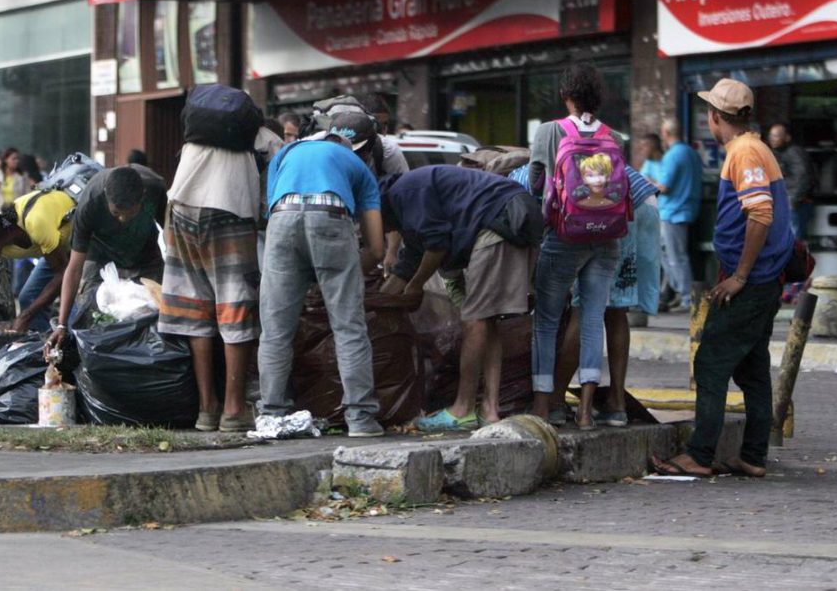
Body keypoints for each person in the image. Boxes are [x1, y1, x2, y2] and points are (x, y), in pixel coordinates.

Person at [652, 78, 793, 478]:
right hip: (765, 278)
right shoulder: (754, 148)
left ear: (715, 117)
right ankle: (752, 455)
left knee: (711, 361)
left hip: (754, 279)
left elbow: (760, 214)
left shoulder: (745, 153)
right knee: (751, 367)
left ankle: (700, 454)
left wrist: (741, 275)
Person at [381, 165, 542, 431]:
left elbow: (436, 246)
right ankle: (489, 411)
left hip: (502, 221)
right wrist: (379, 304)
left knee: (475, 319)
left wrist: (417, 286)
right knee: (486, 320)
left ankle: (462, 409)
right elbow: (409, 261)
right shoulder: (403, 204)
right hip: (508, 217)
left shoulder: (406, 192)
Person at [258, 113, 386, 437]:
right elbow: (377, 247)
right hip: (331, 216)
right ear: (363, 149)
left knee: (275, 330)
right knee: (349, 328)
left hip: (282, 220)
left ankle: (272, 415)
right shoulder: (358, 166)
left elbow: (272, 206)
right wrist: (350, 273)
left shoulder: (287, 153)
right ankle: (360, 420)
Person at [156, 117, 271, 434]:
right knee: (236, 303)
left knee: (196, 308)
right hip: (228, 212)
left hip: (180, 210)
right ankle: (234, 409)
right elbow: (279, 159)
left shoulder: (197, 133)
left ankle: (207, 409)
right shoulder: (255, 132)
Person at [527, 63, 621, 425]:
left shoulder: (550, 131)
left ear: (565, 95)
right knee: (593, 319)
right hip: (607, 238)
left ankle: (541, 407)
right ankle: (584, 412)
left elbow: (536, 183)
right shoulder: (615, 137)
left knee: (547, 322)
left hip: (564, 235)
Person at [551, 167, 661, 428]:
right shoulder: (585, 145)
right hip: (641, 202)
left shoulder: (532, 172)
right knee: (616, 307)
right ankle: (616, 403)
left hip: (608, 208)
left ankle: (554, 401)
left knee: (584, 305)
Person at [45, 165, 166, 346]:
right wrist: (62, 325)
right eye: (116, 213)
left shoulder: (155, 188)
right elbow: (75, 267)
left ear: (143, 196)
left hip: (145, 255)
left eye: (130, 213)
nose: (123, 219)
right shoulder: (90, 202)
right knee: (93, 313)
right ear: (105, 196)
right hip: (100, 256)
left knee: (156, 314)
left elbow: (171, 234)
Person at [0, 184, 78, 333]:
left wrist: (24, 317)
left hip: (86, 240)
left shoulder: (35, 223)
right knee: (29, 298)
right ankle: (44, 347)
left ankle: (73, 346)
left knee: (74, 308)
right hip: (58, 248)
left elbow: (63, 274)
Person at [655, 118, 703, 313]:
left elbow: (665, 186)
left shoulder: (673, 155)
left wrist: (646, 184)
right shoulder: (691, 152)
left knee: (675, 256)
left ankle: (685, 297)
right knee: (667, 254)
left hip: (672, 210)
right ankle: (678, 291)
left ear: (665, 133)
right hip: (685, 208)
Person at [768, 123, 814, 240]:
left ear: (787, 137)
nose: (772, 139)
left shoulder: (794, 152)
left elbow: (802, 177)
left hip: (794, 203)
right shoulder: (780, 153)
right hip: (788, 202)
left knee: (791, 241)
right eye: (771, 136)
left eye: (776, 136)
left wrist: (791, 200)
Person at [0, 147, 30, 212]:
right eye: (13, 159)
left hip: (17, 211)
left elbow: (27, 195)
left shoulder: (22, 176)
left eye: (18, 159)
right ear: (6, 160)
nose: (17, 161)